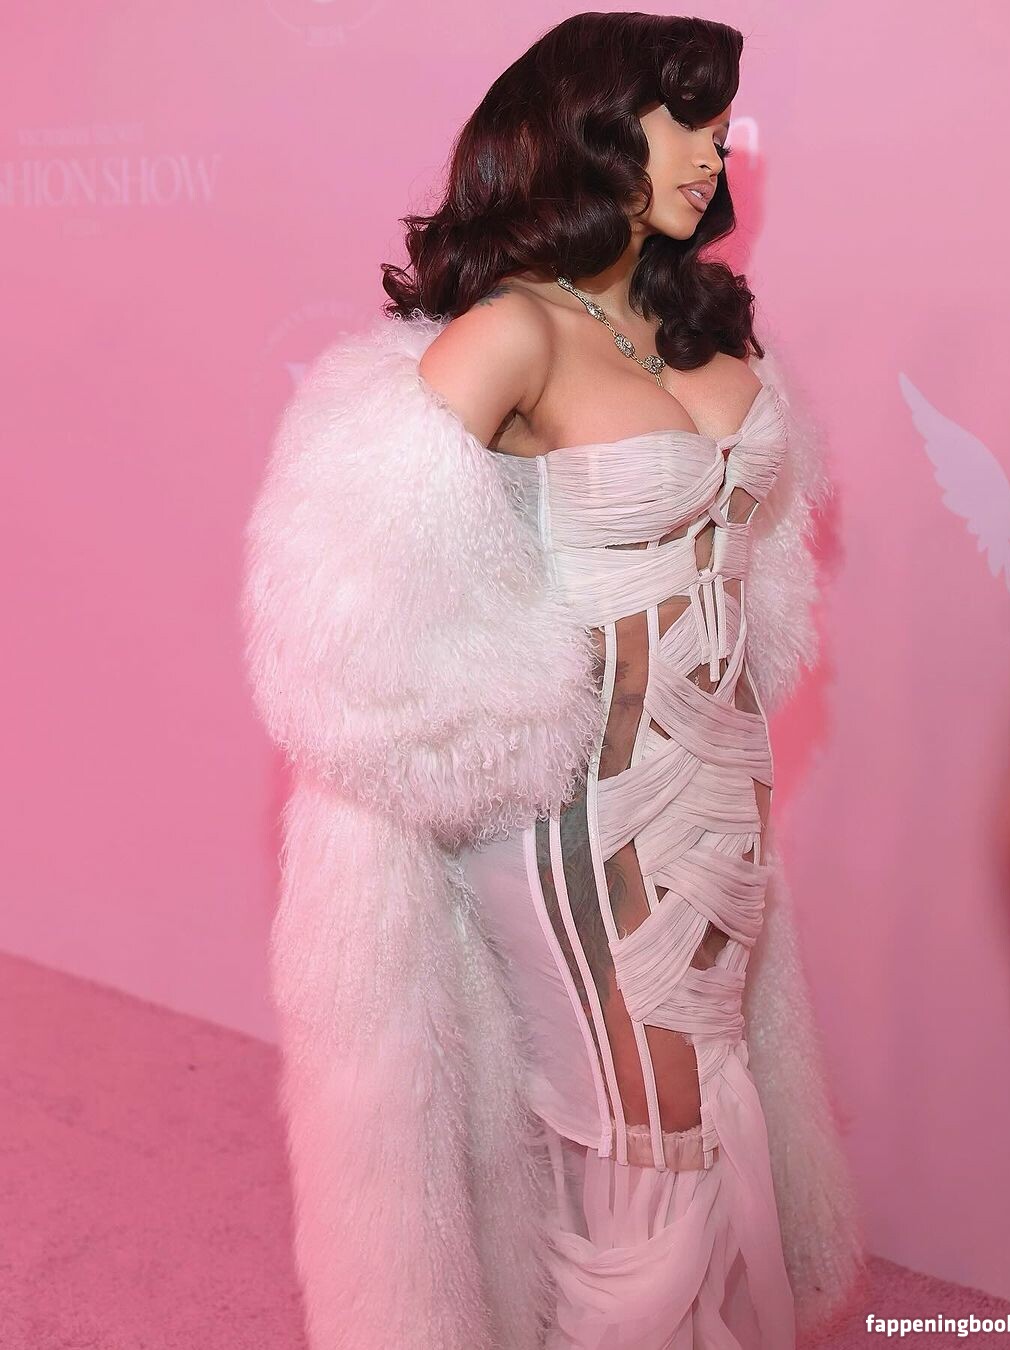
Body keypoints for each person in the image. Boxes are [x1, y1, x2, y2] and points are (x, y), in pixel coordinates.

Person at [241, 13, 867, 1349]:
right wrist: (498, 712)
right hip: (584, 817)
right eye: (686, 121)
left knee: (706, 1100)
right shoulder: (513, 333)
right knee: (648, 1125)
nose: (715, 151)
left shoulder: (694, 321)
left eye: (722, 126)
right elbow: (352, 589)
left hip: (720, 796)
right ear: (591, 129)